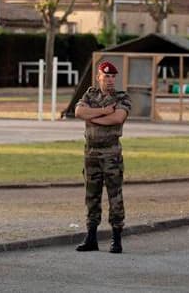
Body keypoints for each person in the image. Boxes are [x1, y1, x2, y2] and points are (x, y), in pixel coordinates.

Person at [74, 60, 131, 253]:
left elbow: (117, 118)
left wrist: (92, 117)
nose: (110, 80)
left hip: (111, 153)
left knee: (114, 195)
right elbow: (78, 111)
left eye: (113, 77)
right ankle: (91, 238)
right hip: (91, 153)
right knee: (92, 195)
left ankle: (116, 239)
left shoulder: (122, 97)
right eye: (106, 76)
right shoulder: (90, 95)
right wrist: (103, 111)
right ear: (98, 77)